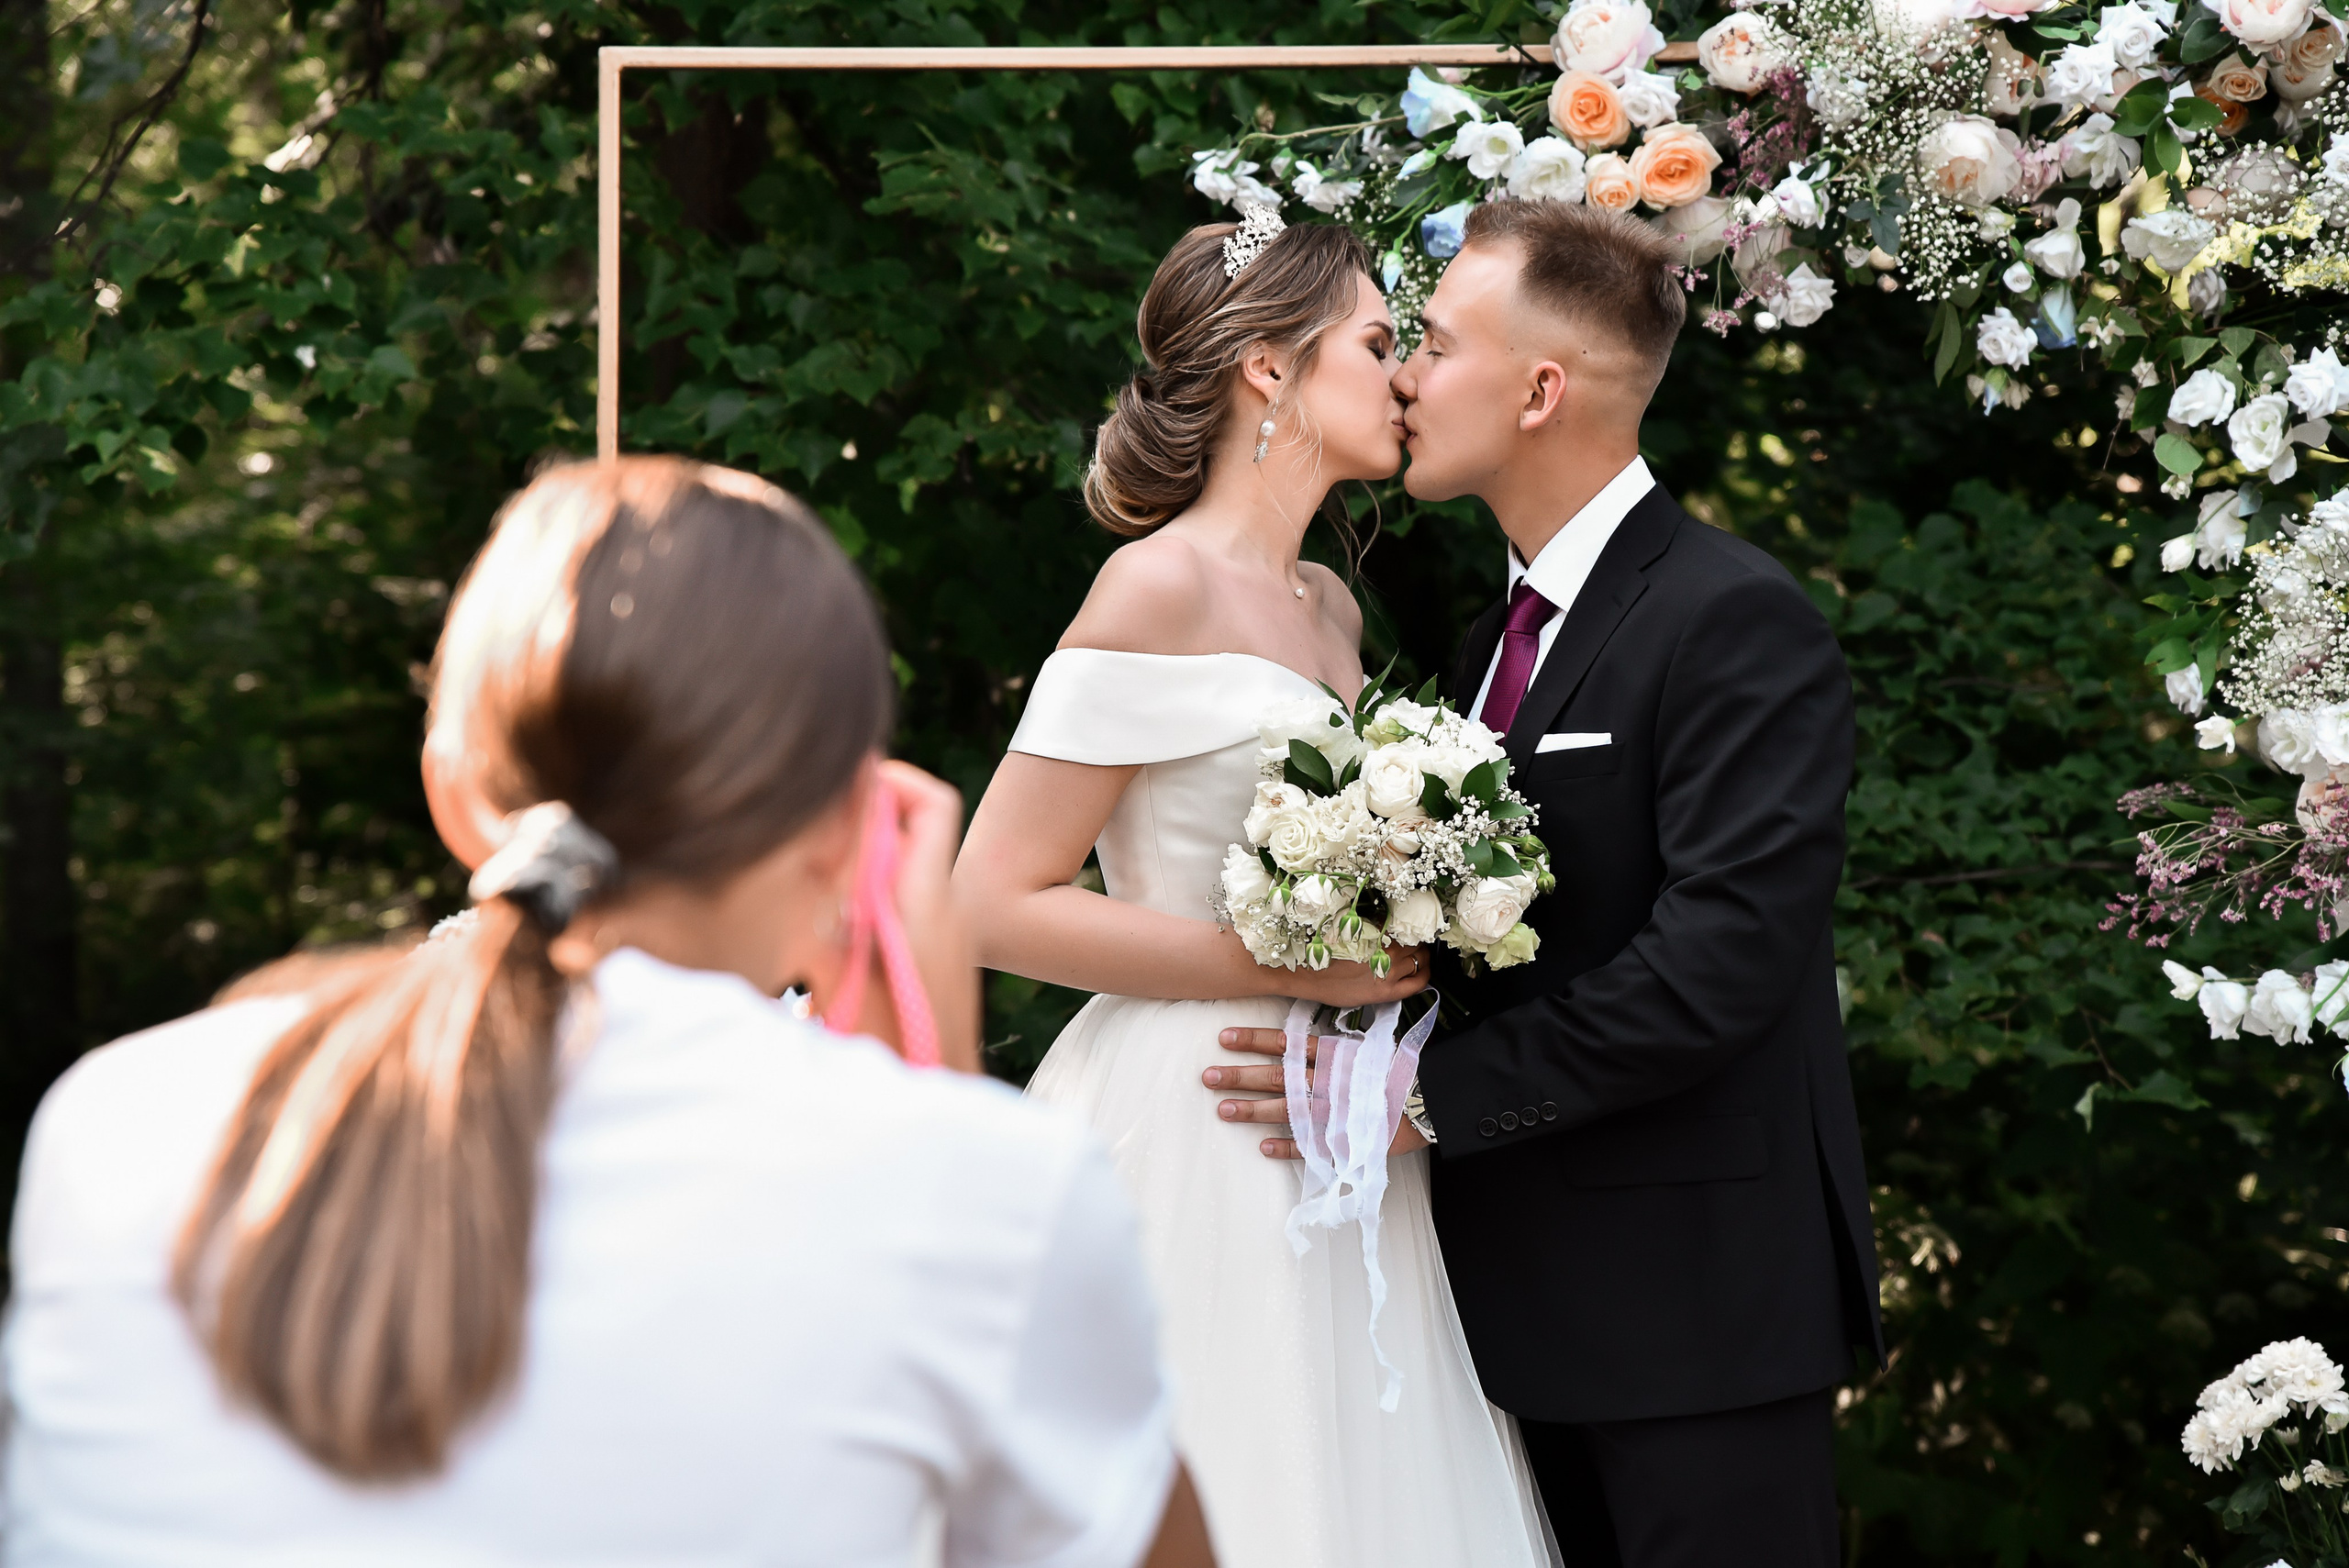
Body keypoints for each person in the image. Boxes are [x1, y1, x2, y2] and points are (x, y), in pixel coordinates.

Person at [3, 456, 1212, 1568]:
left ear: (450, 794)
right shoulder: (984, 1189)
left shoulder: (111, 1124)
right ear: (850, 831)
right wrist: (944, 1117)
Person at [1208, 200, 1885, 1567]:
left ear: (1540, 389)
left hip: (1698, 1321)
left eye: (1436, 343)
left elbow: (1722, 962)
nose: (1402, 375)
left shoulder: (1732, 619)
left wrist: (1421, 1103)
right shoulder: (1478, 650)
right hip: (1503, 1327)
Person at [954, 212, 1556, 1568]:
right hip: (1195, 1106)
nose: (1406, 378)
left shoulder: (1334, 609)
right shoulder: (1152, 586)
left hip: (1341, 1126)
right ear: (1269, 371)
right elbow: (989, 901)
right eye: (1379, 344)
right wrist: (1285, 972)